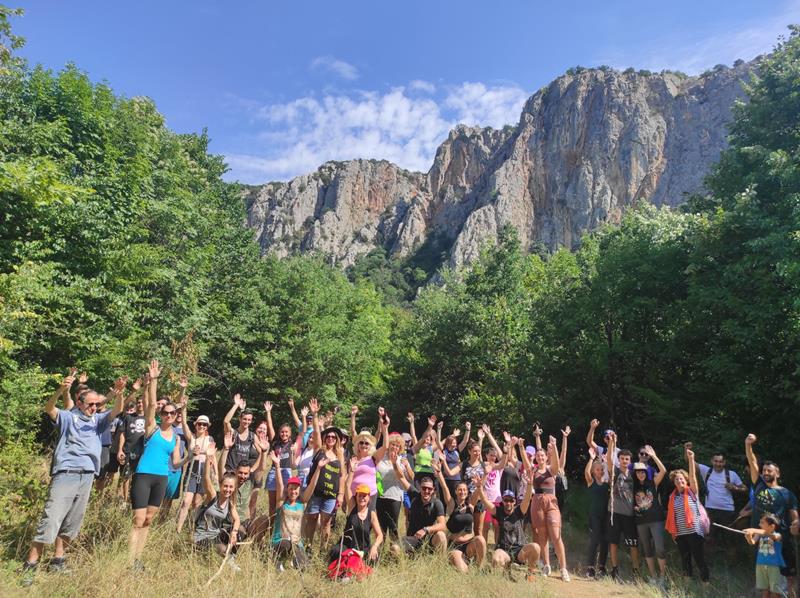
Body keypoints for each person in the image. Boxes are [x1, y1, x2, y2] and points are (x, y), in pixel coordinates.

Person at [22, 371, 124, 576]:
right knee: (51, 519)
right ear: (79, 403)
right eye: (90, 405)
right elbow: (49, 408)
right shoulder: (69, 418)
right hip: (66, 473)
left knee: (72, 521)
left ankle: (58, 561)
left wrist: (119, 392)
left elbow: (117, 410)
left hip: (87, 476)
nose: (94, 408)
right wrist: (61, 390)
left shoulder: (98, 421)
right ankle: (31, 564)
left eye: (97, 405)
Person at [128, 360, 182, 571]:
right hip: (144, 476)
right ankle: (129, 560)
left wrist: (191, 457)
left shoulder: (175, 438)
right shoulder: (152, 428)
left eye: (172, 413)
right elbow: (150, 405)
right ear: (161, 415)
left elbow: (176, 462)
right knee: (138, 519)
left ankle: (138, 559)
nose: (168, 415)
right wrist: (154, 381)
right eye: (165, 412)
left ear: (176, 416)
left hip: (162, 478)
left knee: (149, 520)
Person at [746, 433, 799, 596]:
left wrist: (796, 525)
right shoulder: (759, 485)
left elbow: (794, 516)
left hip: (782, 539)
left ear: (778, 473)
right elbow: (752, 461)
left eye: (769, 470)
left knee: (788, 574)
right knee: (765, 577)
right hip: (761, 538)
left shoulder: (787, 493)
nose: (766, 472)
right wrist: (748, 445)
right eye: (764, 471)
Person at [475, 466, 541, 582]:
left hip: (519, 550)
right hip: (504, 549)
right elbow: (485, 501)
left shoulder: (519, 511)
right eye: (506, 500)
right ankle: (505, 572)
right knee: (496, 559)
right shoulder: (499, 511)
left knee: (536, 547)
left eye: (511, 500)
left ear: (515, 501)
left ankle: (530, 574)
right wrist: (480, 488)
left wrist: (530, 485)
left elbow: (526, 500)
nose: (508, 503)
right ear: (503, 501)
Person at [303, 398, 345, 549]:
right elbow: (315, 431)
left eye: (334, 437)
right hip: (315, 492)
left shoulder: (340, 455)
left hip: (330, 496)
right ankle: (308, 546)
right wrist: (314, 415)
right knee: (312, 518)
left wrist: (340, 494)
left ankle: (323, 548)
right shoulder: (319, 450)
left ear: (337, 439)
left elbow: (342, 477)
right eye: (328, 436)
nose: (331, 438)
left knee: (326, 522)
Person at [193, 444, 241, 572]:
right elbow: (206, 479)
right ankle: (228, 558)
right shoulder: (213, 496)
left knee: (239, 533)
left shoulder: (230, 503)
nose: (228, 489)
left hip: (216, 535)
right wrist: (209, 459)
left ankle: (230, 557)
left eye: (231, 487)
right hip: (202, 536)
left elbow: (237, 520)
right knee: (221, 549)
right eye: (225, 486)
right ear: (221, 485)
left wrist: (234, 533)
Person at [665, 447, 709, 582]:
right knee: (685, 559)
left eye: (682, 479)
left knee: (699, 558)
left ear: (686, 480)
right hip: (680, 533)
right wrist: (674, 533)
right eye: (677, 480)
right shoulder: (673, 497)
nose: (680, 481)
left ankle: (705, 583)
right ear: (674, 482)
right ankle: (687, 583)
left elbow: (693, 477)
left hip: (694, 531)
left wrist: (691, 459)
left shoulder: (692, 492)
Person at [530, 435, 570, 581]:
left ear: (547, 457)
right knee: (542, 535)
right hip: (537, 502)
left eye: (543, 455)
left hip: (551, 503)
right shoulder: (533, 470)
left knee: (556, 535)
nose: (541, 457)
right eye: (538, 455)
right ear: (535, 457)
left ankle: (563, 568)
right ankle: (546, 565)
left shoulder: (552, 469)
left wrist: (554, 445)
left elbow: (558, 460)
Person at [329, 462, 384, 568]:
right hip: (348, 547)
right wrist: (352, 471)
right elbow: (347, 485)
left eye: (364, 496)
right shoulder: (352, 507)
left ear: (369, 498)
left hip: (363, 549)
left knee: (375, 557)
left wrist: (375, 547)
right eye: (360, 495)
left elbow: (380, 535)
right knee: (336, 551)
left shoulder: (371, 514)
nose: (362, 498)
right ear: (356, 496)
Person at [437, 459, 486, 573]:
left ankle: (479, 569)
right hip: (456, 545)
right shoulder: (451, 504)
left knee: (481, 539)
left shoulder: (471, 505)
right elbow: (444, 488)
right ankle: (459, 562)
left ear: (467, 492)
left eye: (464, 490)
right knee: (463, 572)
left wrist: (479, 486)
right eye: (460, 490)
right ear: (456, 492)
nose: (462, 492)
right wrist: (439, 474)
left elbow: (478, 491)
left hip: (469, 544)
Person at [390, 459, 447, 556]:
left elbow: (442, 525)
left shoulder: (437, 503)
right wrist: (395, 463)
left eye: (429, 489)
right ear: (420, 488)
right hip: (412, 539)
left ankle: (439, 562)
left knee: (441, 535)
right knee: (394, 548)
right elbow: (401, 477)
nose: (426, 491)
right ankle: (405, 564)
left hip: (429, 540)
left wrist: (426, 530)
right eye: (424, 488)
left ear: (433, 490)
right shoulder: (414, 495)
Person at [271, 451, 317, 571]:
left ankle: (293, 561)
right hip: (281, 541)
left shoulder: (302, 504)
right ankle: (278, 561)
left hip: (297, 543)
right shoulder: (281, 502)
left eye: (296, 489)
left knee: (304, 567)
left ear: (299, 490)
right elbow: (279, 484)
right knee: (285, 544)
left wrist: (319, 469)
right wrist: (277, 465)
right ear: (287, 489)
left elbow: (311, 486)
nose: (293, 492)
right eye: (291, 489)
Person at [605, 431, 640, 580]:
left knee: (633, 543)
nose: (624, 461)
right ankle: (614, 569)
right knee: (613, 542)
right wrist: (612, 442)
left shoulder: (636, 474)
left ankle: (636, 570)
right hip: (614, 512)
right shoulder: (615, 471)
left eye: (627, 459)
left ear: (630, 461)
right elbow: (608, 460)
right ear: (618, 460)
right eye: (622, 459)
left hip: (629, 514)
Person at [176, 400, 215, 532]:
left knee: (196, 504)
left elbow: (213, 457)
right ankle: (178, 529)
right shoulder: (191, 437)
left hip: (204, 472)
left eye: (204, 424)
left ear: (207, 426)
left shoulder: (210, 440)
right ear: (196, 424)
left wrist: (215, 474)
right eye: (200, 424)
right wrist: (184, 408)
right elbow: (184, 423)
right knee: (186, 502)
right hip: (192, 471)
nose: (202, 426)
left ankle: (193, 528)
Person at [696, 449, 747, 547]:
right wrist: (687, 450)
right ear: (712, 461)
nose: (718, 464)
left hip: (727, 511)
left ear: (724, 462)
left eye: (720, 462)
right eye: (716, 461)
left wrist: (735, 487)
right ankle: (710, 560)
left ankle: (731, 561)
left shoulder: (731, 474)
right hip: (710, 510)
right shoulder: (706, 471)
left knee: (730, 539)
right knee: (709, 538)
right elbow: (691, 462)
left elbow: (745, 488)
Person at [633, 445, 667, 583]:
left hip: (656, 519)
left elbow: (663, 470)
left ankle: (663, 577)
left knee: (660, 548)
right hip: (641, 521)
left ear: (647, 472)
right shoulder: (634, 486)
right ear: (635, 474)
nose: (641, 474)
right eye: (638, 472)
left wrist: (653, 456)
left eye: (643, 472)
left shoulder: (653, 483)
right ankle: (653, 577)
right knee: (647, 549)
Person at [376, 432, 413, 539]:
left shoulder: (402, 460)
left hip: (395, 496)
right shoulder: (381, 458)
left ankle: (394, 552)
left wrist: (406, 466)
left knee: (393, 527)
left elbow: (411, 477)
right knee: (381, 527)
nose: (395, 447)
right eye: (393, 444)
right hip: (380, 496)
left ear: (400, 448)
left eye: (397, 445)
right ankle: (380, 552)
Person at [349, 409, 389, 510]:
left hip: (370, 494)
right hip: (353, 495)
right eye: (361, 443)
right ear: (357, 445)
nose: (364, 445)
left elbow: (385, 446)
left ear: (371, 446)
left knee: (368, 521)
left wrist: (384, 428)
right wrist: (353, 416)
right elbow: (353, 432)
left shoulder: (374, 458)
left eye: (367, 443)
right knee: (353, 521)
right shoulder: (353, 459)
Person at [266, 401, 295, 525]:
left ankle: (282, 525)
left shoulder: (292, 445)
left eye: (286, 432)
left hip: (286, 472)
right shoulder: (275, 442)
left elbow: (304, 431)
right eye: (282, 432)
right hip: (273, 472)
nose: (284, 434)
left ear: (290, 434)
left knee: (284, 501)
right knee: (272, 503)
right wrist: (268, 412)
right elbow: (270, 426)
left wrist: (292, 407)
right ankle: (271, 527)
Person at [116, 387, 146, 505]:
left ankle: (134, 499)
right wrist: (120, 450)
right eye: (138, 402)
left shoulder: (149, 418)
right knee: (126, 476)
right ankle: (124, 500)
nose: (140, 404)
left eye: (142, 402)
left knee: (138, 477)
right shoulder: (129, 417)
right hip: (128, 450)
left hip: (142, 452)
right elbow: (122, 434)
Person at [744, 513, 787, 598]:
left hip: (774, 567)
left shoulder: (778, 535)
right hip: (760, 564)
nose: (759, 525)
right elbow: (752, 542)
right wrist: (748, 537)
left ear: (772, 526)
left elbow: (773, 536)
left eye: (762, 523)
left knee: (775, 591)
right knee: (765, 590)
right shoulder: (759, 534)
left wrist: (753, 529)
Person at [584, 447, 609, 578]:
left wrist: (605, 462)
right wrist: (591, 459)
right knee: (595, 540)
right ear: (594, 471)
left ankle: (602, 567)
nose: (600, 471)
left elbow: (611, 471)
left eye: (601, 469)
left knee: (605, 541)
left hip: (605, 515)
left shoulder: (606, 483)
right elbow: (586, 472)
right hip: (594, 516)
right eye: (597, 469)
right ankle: (590, 567)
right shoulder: (591, 481)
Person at [222, 393, 261, 473]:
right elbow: (226, 421)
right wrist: (236, 405)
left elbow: (262, 454)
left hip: (243, 475)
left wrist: (252, 469)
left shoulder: (252, 436)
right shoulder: (233, 433)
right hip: (230, 472)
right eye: (245, 419)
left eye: (249, 420)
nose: (247, 421)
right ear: (240, 419)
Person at [440, 422, 471, 500]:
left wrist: (468, 430)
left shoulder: (457, 451)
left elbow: (465, 441)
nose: (454, 445)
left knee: (456, 499)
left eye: (455, 443)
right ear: (448, 443)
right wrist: (452, 435)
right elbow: (439, 442)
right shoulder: (444, 451)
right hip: (446, 479)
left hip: (456, 479)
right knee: (445, 499)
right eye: (453, 443)